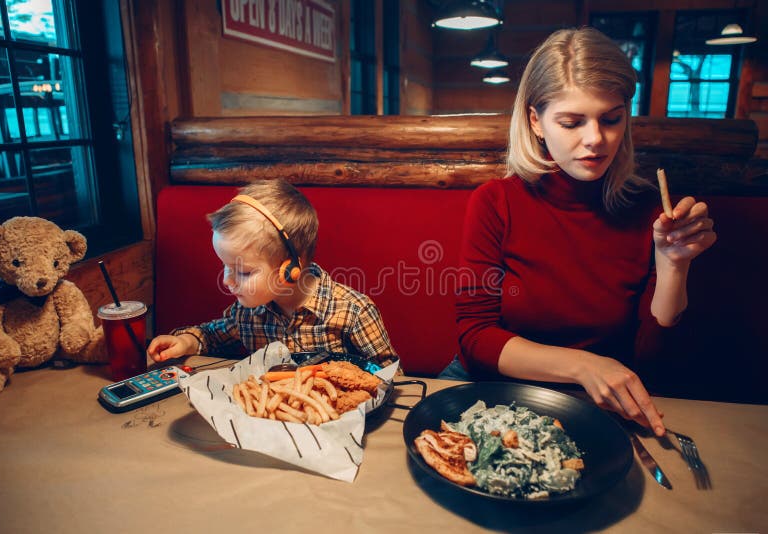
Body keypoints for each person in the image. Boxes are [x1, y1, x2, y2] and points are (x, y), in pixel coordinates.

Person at [445, 27, 716, 436]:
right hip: (489, 386)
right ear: (535, 121)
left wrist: (674, 264)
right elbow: (475, 338)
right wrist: (584, 365)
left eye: (611, 119)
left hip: (593, 398)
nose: (596, 140)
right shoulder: (495, 202)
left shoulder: (648, 209)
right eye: (571, 122)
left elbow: (654, 356)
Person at [148, 178, 398, 365]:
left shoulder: (352, 312)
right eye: (225, 266)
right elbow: (211, 335)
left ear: (290, 270)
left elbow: (391, 376)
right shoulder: (246, 313)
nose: (227, 281)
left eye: (243, 272)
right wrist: (185, 342)